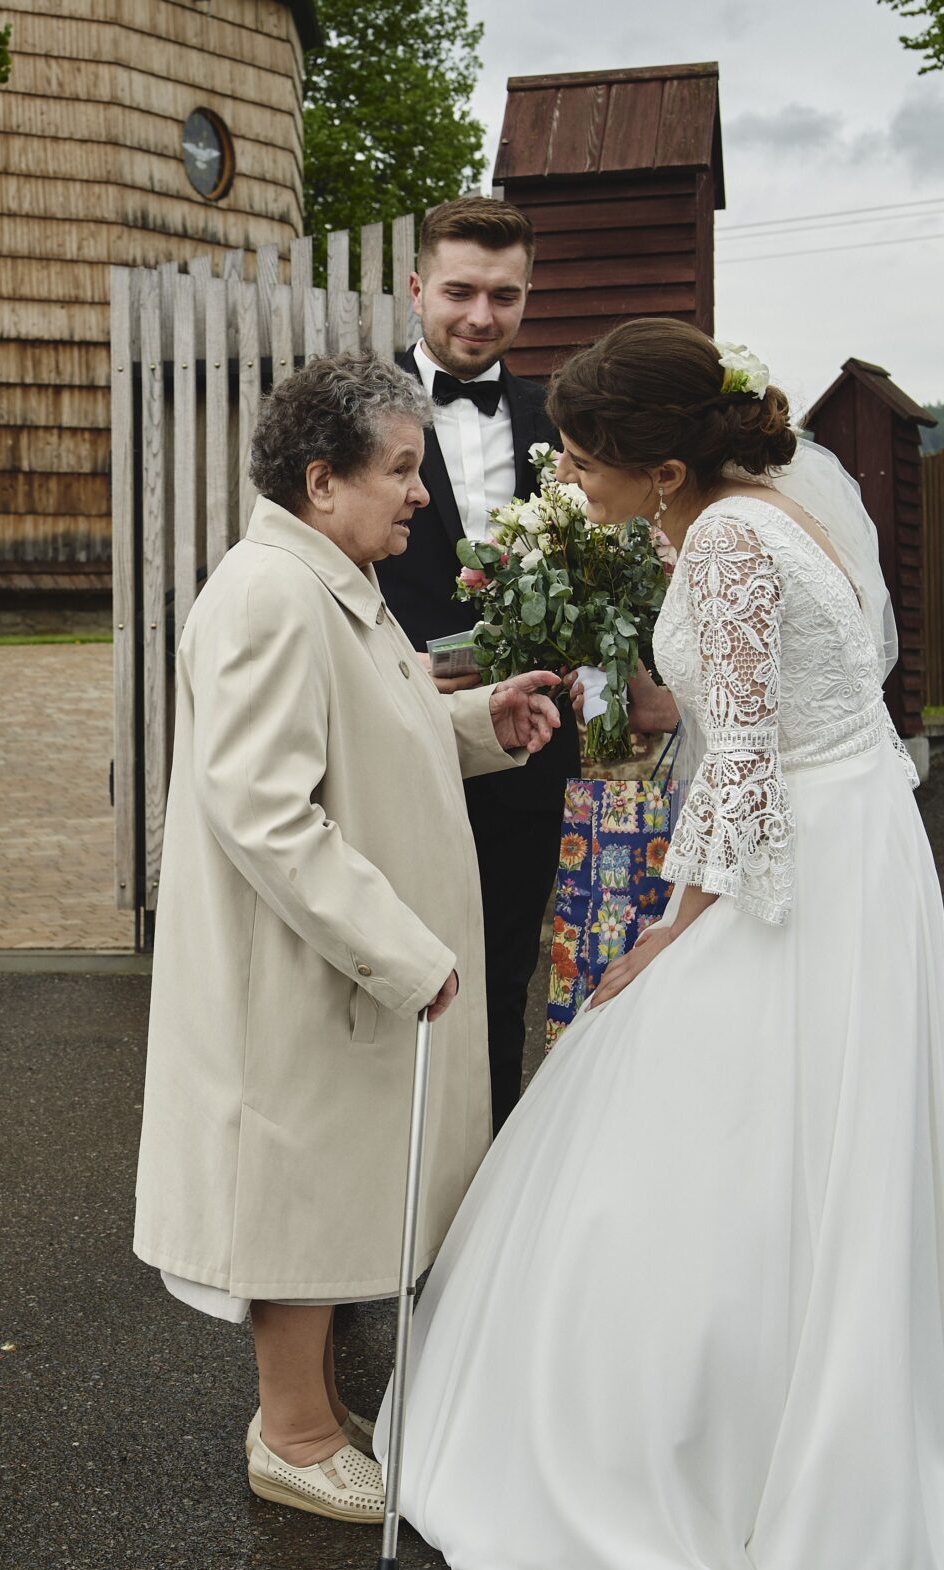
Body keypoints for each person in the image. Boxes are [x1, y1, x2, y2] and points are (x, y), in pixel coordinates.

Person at [383, 318, 944, 1570]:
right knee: (817, 1124)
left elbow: (749, 758)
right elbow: (808, 693)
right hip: (851, 831)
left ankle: (735, 1440)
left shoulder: (722, 539)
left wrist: (672, 927)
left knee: (706, 1100)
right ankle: (822, 1387)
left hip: (797, 854)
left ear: (663, 467)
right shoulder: (770, 509)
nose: (570, 478)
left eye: (585, 459)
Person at [132, 353, 560, 1524]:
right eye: (400, 471)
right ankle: (293, 1435)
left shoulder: (332, 579)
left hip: (332, 961)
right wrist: (399, 951)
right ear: (322, 482)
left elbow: (372, 726)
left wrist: (477, 722)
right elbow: (264, 810)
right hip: (300, 963)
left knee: (329, 1185)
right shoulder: (270, 597)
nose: (420, 493)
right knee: (300, 1192)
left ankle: (315, 1412)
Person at [370, 197, 577, 1126]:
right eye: (460, 292)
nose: (482, 317)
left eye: (505, 295)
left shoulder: (559, 420)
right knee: (391, 979)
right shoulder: (353, 410)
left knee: (500, 980)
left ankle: (484, 1192)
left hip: (525, 753)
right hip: (397, 741)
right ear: (417, 289)